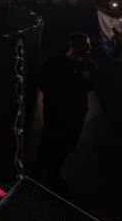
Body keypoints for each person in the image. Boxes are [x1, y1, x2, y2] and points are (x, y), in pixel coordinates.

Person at [33, 32, 97, 194]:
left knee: (67, 143)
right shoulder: (54, 63)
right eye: (86, 45)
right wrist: (53, 96)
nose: (89, 48)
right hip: (56, 110)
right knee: (49, 139)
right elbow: (41, 80)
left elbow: (93, 85)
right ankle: (37, 173)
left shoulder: (90, 66)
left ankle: (53, 172)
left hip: (76, 111)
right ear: (74, 46)